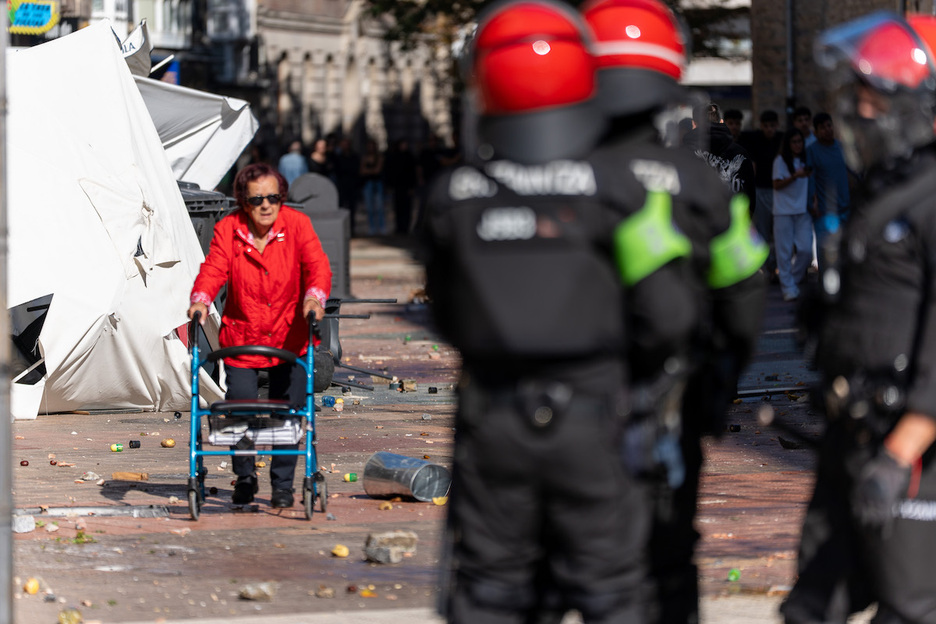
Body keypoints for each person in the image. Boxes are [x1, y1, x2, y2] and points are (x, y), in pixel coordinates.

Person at [426, 1, 656, 620]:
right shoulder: (618, 189)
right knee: (612, 591)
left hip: (494, 420)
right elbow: (665, 310)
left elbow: (446, 313)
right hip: (595, 417)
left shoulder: (454, 197)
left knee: (491, 591)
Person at [581, 1, 767, 622]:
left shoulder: (561, 174)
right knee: (668, 555)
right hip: (667, 403)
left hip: (566, 409)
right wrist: (717, 389)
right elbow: (744, 290)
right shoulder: (698, 182)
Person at [780, 11, 936, 624]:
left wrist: (900, 456)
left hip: (910, 454)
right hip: (852, 437)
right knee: (810, 607)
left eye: (872, 96)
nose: (859, 111)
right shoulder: (887, 188)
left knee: (910, 609)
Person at [187, 162, 332, 509]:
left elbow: (318, 267)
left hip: (290, 337)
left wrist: (314, 297)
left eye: (273, 197)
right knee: (241, 411)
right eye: (256, 200)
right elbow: (214, 268)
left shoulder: (298, 226)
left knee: (289, 414)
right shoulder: (229, 228)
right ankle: (246, 478)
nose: (266, 205)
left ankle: (283, 484)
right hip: (243, 337)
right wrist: (201, 300)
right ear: (243, 202)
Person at [683, 101, 757, 214]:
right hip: (731, 221)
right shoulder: (740, 153)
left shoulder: (683, 152)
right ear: (721, 122)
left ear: (694, 124)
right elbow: (749, 195)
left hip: (695, 222)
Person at [740, 110, 784, 279]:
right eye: (766, 126)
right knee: (763, 231)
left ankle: (775, 266)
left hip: (779, 190)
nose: (769, 129)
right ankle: (767, 267)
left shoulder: (781, 139)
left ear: (777, 126)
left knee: (779, 232)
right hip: (761, 189)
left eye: (772, 126)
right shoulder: (755, 139)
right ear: (761, 126)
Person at [771, 128, 813, 302]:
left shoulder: (805, 160)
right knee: (784, 252)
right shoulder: (780, 161)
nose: (797, 145)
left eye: (800, 142)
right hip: (783, 212)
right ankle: (787, 287)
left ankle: (792, 282)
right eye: (794, 142)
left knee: (805, 250)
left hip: (802, 210)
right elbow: (776, 184)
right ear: (788, 144)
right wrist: (795, 176)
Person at [806, 111, 851, 271]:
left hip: (846, 205)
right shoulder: (812, 150)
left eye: (829, 125)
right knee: (826, 252)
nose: (827, 129)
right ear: (816, 132)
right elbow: (810, 178)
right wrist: (813, 201)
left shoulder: (842, 147)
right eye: (822, 128)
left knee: (848, 250)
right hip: (825, 210)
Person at [385, 138, 419, 234]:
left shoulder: (409, 157)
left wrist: (412, 186)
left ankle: (406, 227)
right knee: (398, 208)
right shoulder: (394, 156)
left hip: (407, 187)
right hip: (397, 187)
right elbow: (390, 171)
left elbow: (413, 173)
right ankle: (399, 227)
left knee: (407, 208)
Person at [359, 138, 386, 236]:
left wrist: (368, 171)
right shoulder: (364, 157)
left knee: (379, 207)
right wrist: (371, 171)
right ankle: (372, 227)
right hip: (368, 184)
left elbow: (377, 170)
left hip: (377, 183)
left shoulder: (379, 157)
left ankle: (382, 227)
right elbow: (362, 171)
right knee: (369, 208)